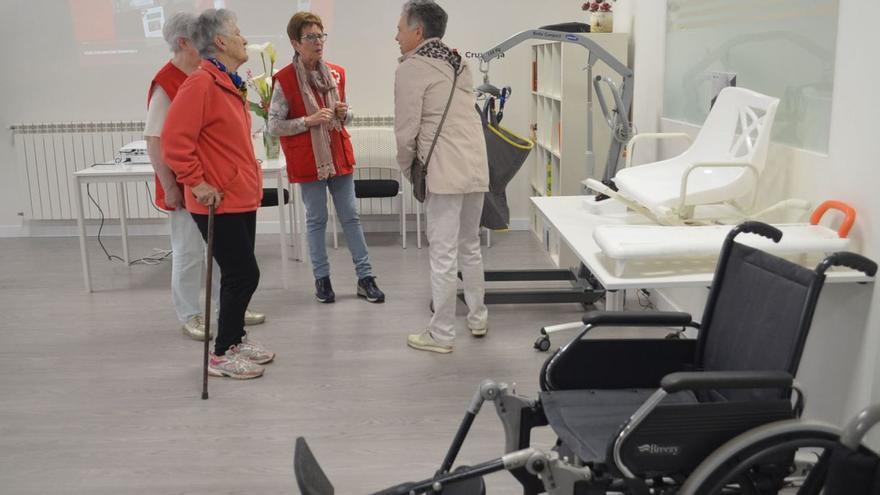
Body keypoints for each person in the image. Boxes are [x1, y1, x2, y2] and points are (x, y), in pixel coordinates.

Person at [162, 8, 274, 379]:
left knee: (236, 275)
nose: (244, 38)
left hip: (239, 194)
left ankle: (236, 339)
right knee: (245, 274)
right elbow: (175, 142)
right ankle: (222, 353)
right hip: (218, 199)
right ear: (221, 42)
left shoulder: (228, 81)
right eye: (238, 32)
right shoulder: (201, 84)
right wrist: (196, 181)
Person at [268, 11, 385, 305]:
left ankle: (365, 277)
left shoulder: (336, 73)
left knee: (351, 217)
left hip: (338, 154)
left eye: (321, 36)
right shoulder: (283, 80)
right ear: (296, 43)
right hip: (309, 161)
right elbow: (273, 125)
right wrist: (307, 121)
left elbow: (345, 116)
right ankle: (322, 280)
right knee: (317, 219)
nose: (318, 42)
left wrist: (346, 114)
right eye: (310, 37)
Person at [394, 0, 489, 354]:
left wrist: (408, 168)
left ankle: (442, 334)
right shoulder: (458, 61)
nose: (396, 35)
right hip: (476, 167)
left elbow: (406, 131)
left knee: (444, 254)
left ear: (418, 31)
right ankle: (478, 318)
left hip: (445, 172)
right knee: (470, 248)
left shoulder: (411, 69)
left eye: (400, 28)